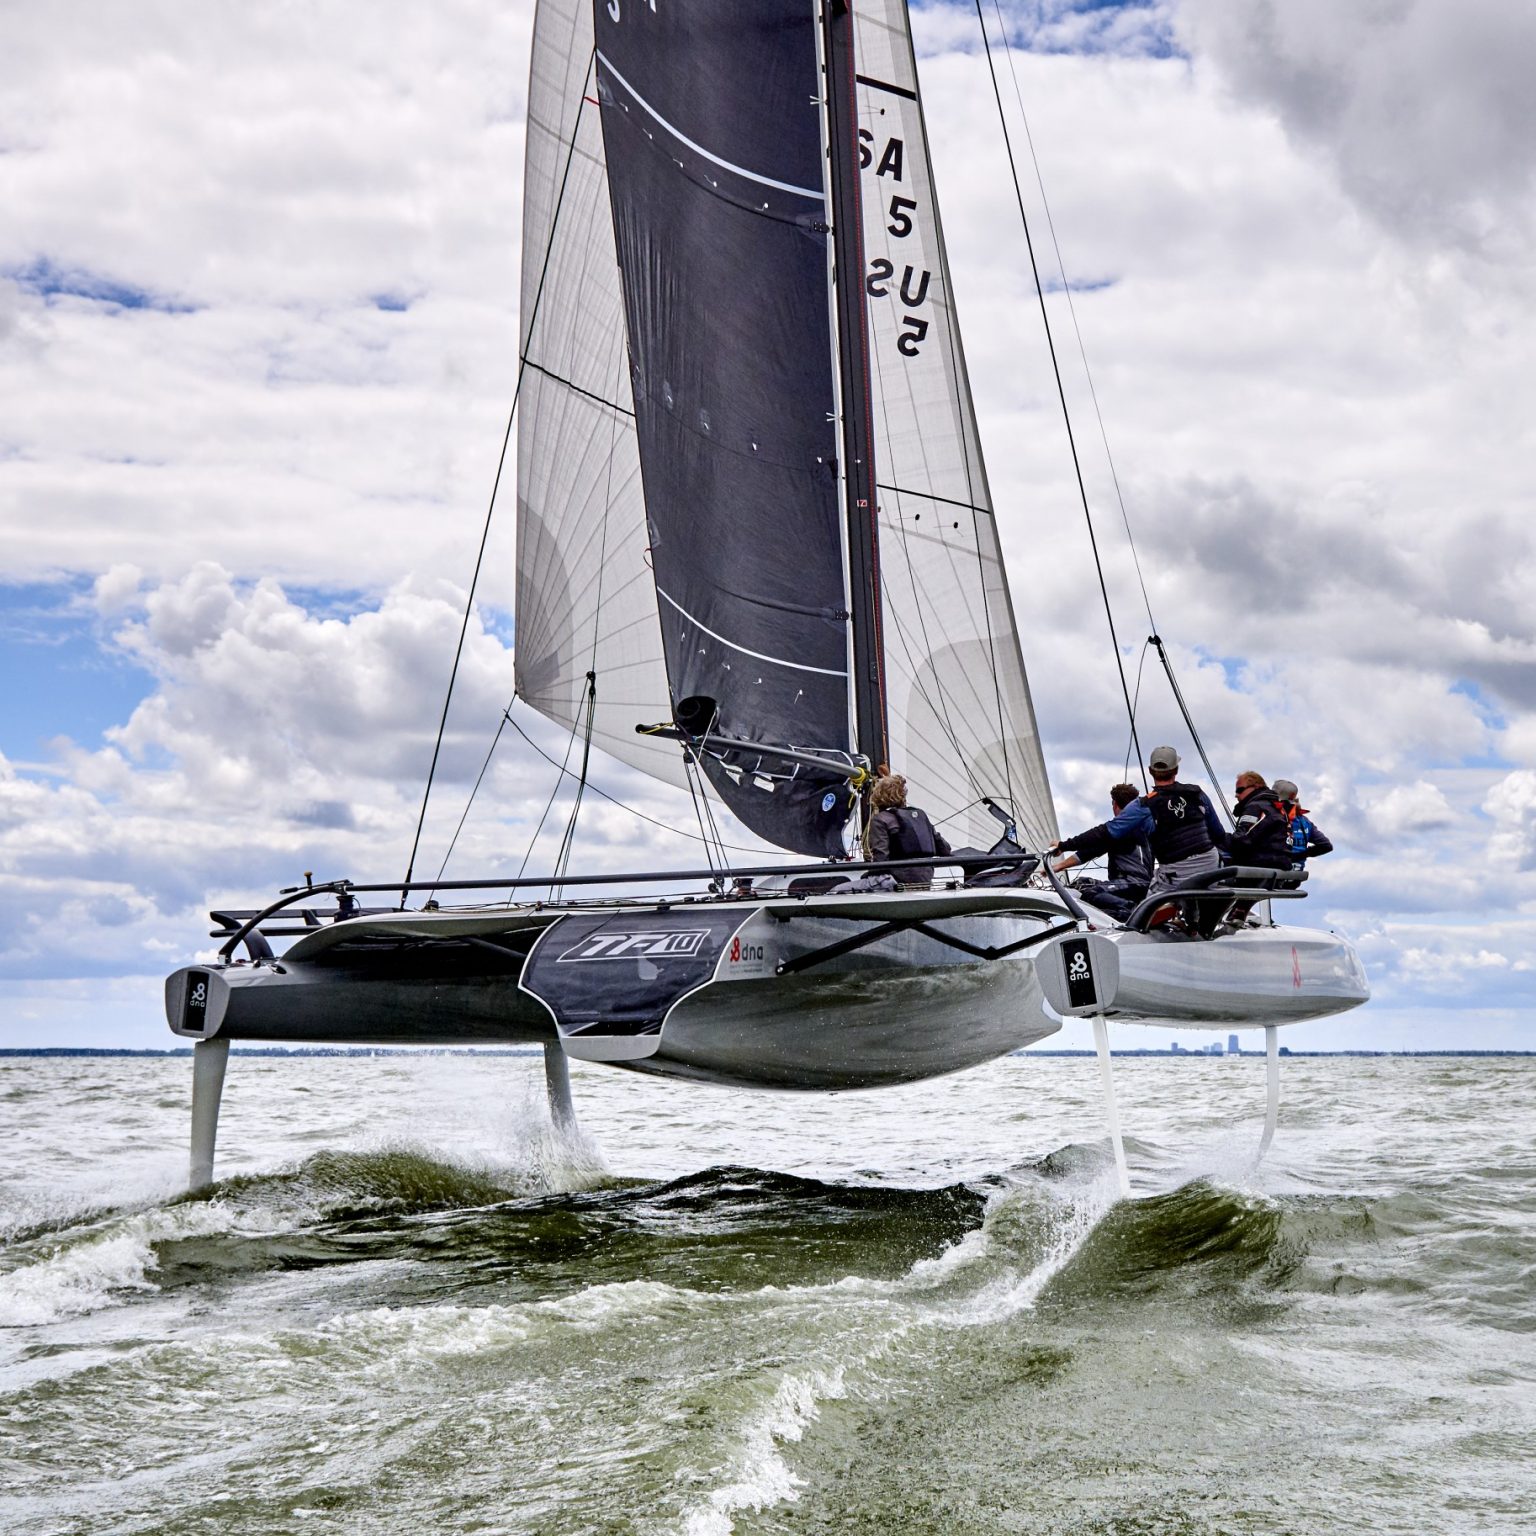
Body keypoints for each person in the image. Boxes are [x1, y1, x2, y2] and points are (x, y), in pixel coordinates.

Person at [1049, 782, 1152, 922]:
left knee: (1091, 893)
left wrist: (1062, 851)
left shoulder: (1121, 829)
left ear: (1114, 804)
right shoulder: (1141, 827)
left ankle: (1133, 910)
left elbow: (1089, 851)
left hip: (1133, 884)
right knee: (1081, 883)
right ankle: (1114, 914)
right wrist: (1058, 867)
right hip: (1137, 884)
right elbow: (1092, 849)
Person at [1140, 745, 1226, 899]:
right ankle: (1191, 919)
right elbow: (1217, 833)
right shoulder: (1196, 794)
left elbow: (1110, 831)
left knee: (1146, 911)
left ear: (1150, 771)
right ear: (1176, 770)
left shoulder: (1146, 805)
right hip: (1210, 867)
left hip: (1174, 875)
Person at [865, 773, 951, 889]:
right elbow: (945, 849)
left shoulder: (880, 820)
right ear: (903, 796)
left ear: (878, 796)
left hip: (896, 882)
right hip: (925, 880)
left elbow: (881, 859)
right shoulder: (920, 815)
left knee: (838, 890)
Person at [1228, 771, 1293, 870]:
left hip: (1257, 869)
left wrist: (1217, 837)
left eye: (1240, 790)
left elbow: (1240, 841)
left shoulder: (1256, 807)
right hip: (1277, 869)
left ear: (1256, 786)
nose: (1236, 795)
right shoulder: (1278, 808)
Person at [1273, 778, 1334, 866]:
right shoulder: (1305, 821)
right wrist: (1300, 855)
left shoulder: (1270, 817)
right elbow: (1326, 846)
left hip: (1273, 873)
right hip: (1296, 875)